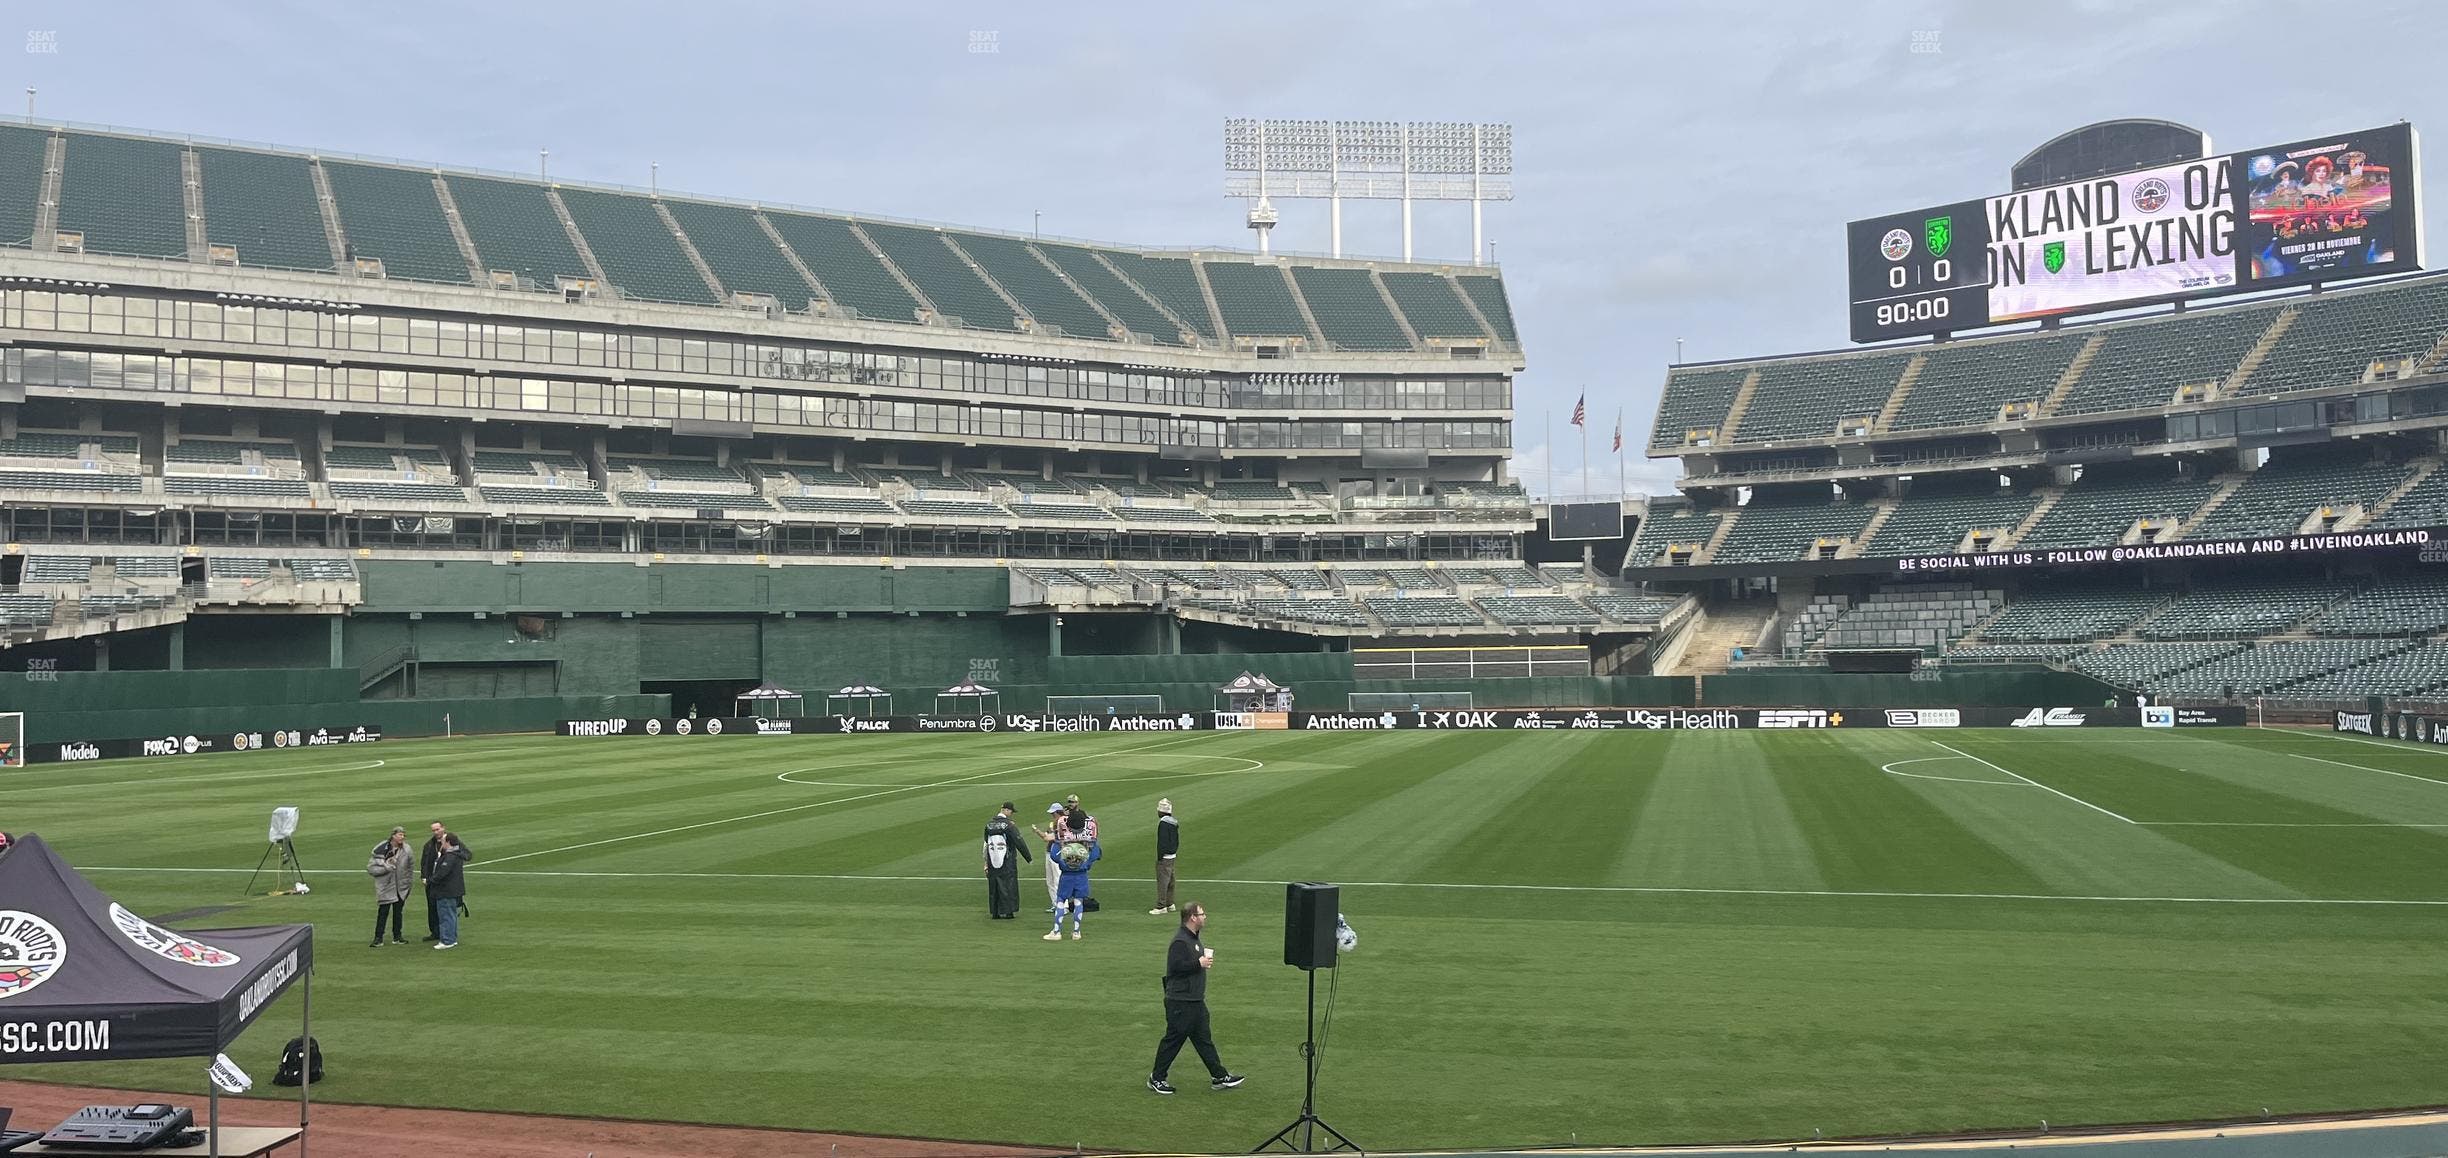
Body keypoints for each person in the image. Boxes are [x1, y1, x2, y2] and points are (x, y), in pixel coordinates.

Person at [1148, 902, 1243, 1094]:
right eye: (1202, 914)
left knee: (1203, 1039)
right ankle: (1156, 1078)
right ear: (1192, 917)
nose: (1205, 917)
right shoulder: (1180, 941)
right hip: (1181, 1001)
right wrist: (1197, 963)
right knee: (1174, 1039)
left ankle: (1218, 1075)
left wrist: (1200, 962)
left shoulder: (1193, 939)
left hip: (1195, 1000)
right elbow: (1175, 967)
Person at [418, 821, 473, 942]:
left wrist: (456, 853)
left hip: (445, 883)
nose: (435, 832)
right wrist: (424, 877)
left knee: (446, 910)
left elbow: (468, 855)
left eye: (437, 829)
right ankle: (435, 932)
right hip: (431, 881)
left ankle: (447, 936)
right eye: (433, 830)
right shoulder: (429, 845)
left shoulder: (452, 842)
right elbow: (424, 862)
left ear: (443, 828)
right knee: (432, 908)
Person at [1043, 828, 1100, 941]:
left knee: (1060, 901)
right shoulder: (1086, 839)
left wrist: (1057, 842)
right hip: (1082, 876)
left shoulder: (1065, 837)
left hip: (1066, 876)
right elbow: (1095, 855)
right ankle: (1076, 932)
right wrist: (1094, 844)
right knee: (1079, 902)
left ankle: (1056, 931)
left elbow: (1054, 856)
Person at [983, 802, 1032, 919]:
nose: (1011, 814)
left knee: (994, 884)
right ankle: (1008, 911)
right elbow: (1019, 841)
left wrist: (986, 862)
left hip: (992, 860)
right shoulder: (1008, 825)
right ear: (1006, 810)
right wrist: (1028, 857)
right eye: (1011, 811)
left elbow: (986, 843)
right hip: (1007, 859)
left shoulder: (989, 825)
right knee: (1009, 885)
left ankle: (995, 912)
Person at [366, 826, 414, 947]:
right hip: (386, 886)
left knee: (398, 912)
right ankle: (378, 938)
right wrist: (386, 868)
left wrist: (407, 883)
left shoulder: (407, 849)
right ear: (393, 836)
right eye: (399, 835)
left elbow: (410, 867)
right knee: (383, 912)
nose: (402, 837)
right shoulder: (382, 849)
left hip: (400, 886)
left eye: (403, 835)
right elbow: (371, 869)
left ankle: (397, 936)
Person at [427, 833, 469, 950]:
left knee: (446, 915)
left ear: (448, 842)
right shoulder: (456, 854)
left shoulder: (450, 856)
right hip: (452, 890)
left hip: (446, 890)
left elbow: (442, 873)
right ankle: (451, 938)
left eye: (444, 841)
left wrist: (431, 880)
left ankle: (447, 940)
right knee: (451, 915)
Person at [1032, 803, 1065, 913]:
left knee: (1057, 879)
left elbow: (1048, 838)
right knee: (1050, 881)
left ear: (1057, 812)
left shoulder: (1064, 823)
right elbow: (1045, 837)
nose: (1052, 815)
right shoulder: (1052, 824)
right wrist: (1037, 831)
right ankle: (1055, 904)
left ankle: (1063, 906)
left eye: (1053, 813)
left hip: (1058, 853)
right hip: (1049, 852)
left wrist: (1041, 833)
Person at [1150, 799, 1179, 916]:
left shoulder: (1163, 823)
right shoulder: (1174, 822)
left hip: (1165, 857)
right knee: (1171, 880)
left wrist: (1160, 856)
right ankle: (1170, 903)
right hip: (1172, 855)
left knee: (1163, 881)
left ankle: (1161, 905)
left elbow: (1162, 842)